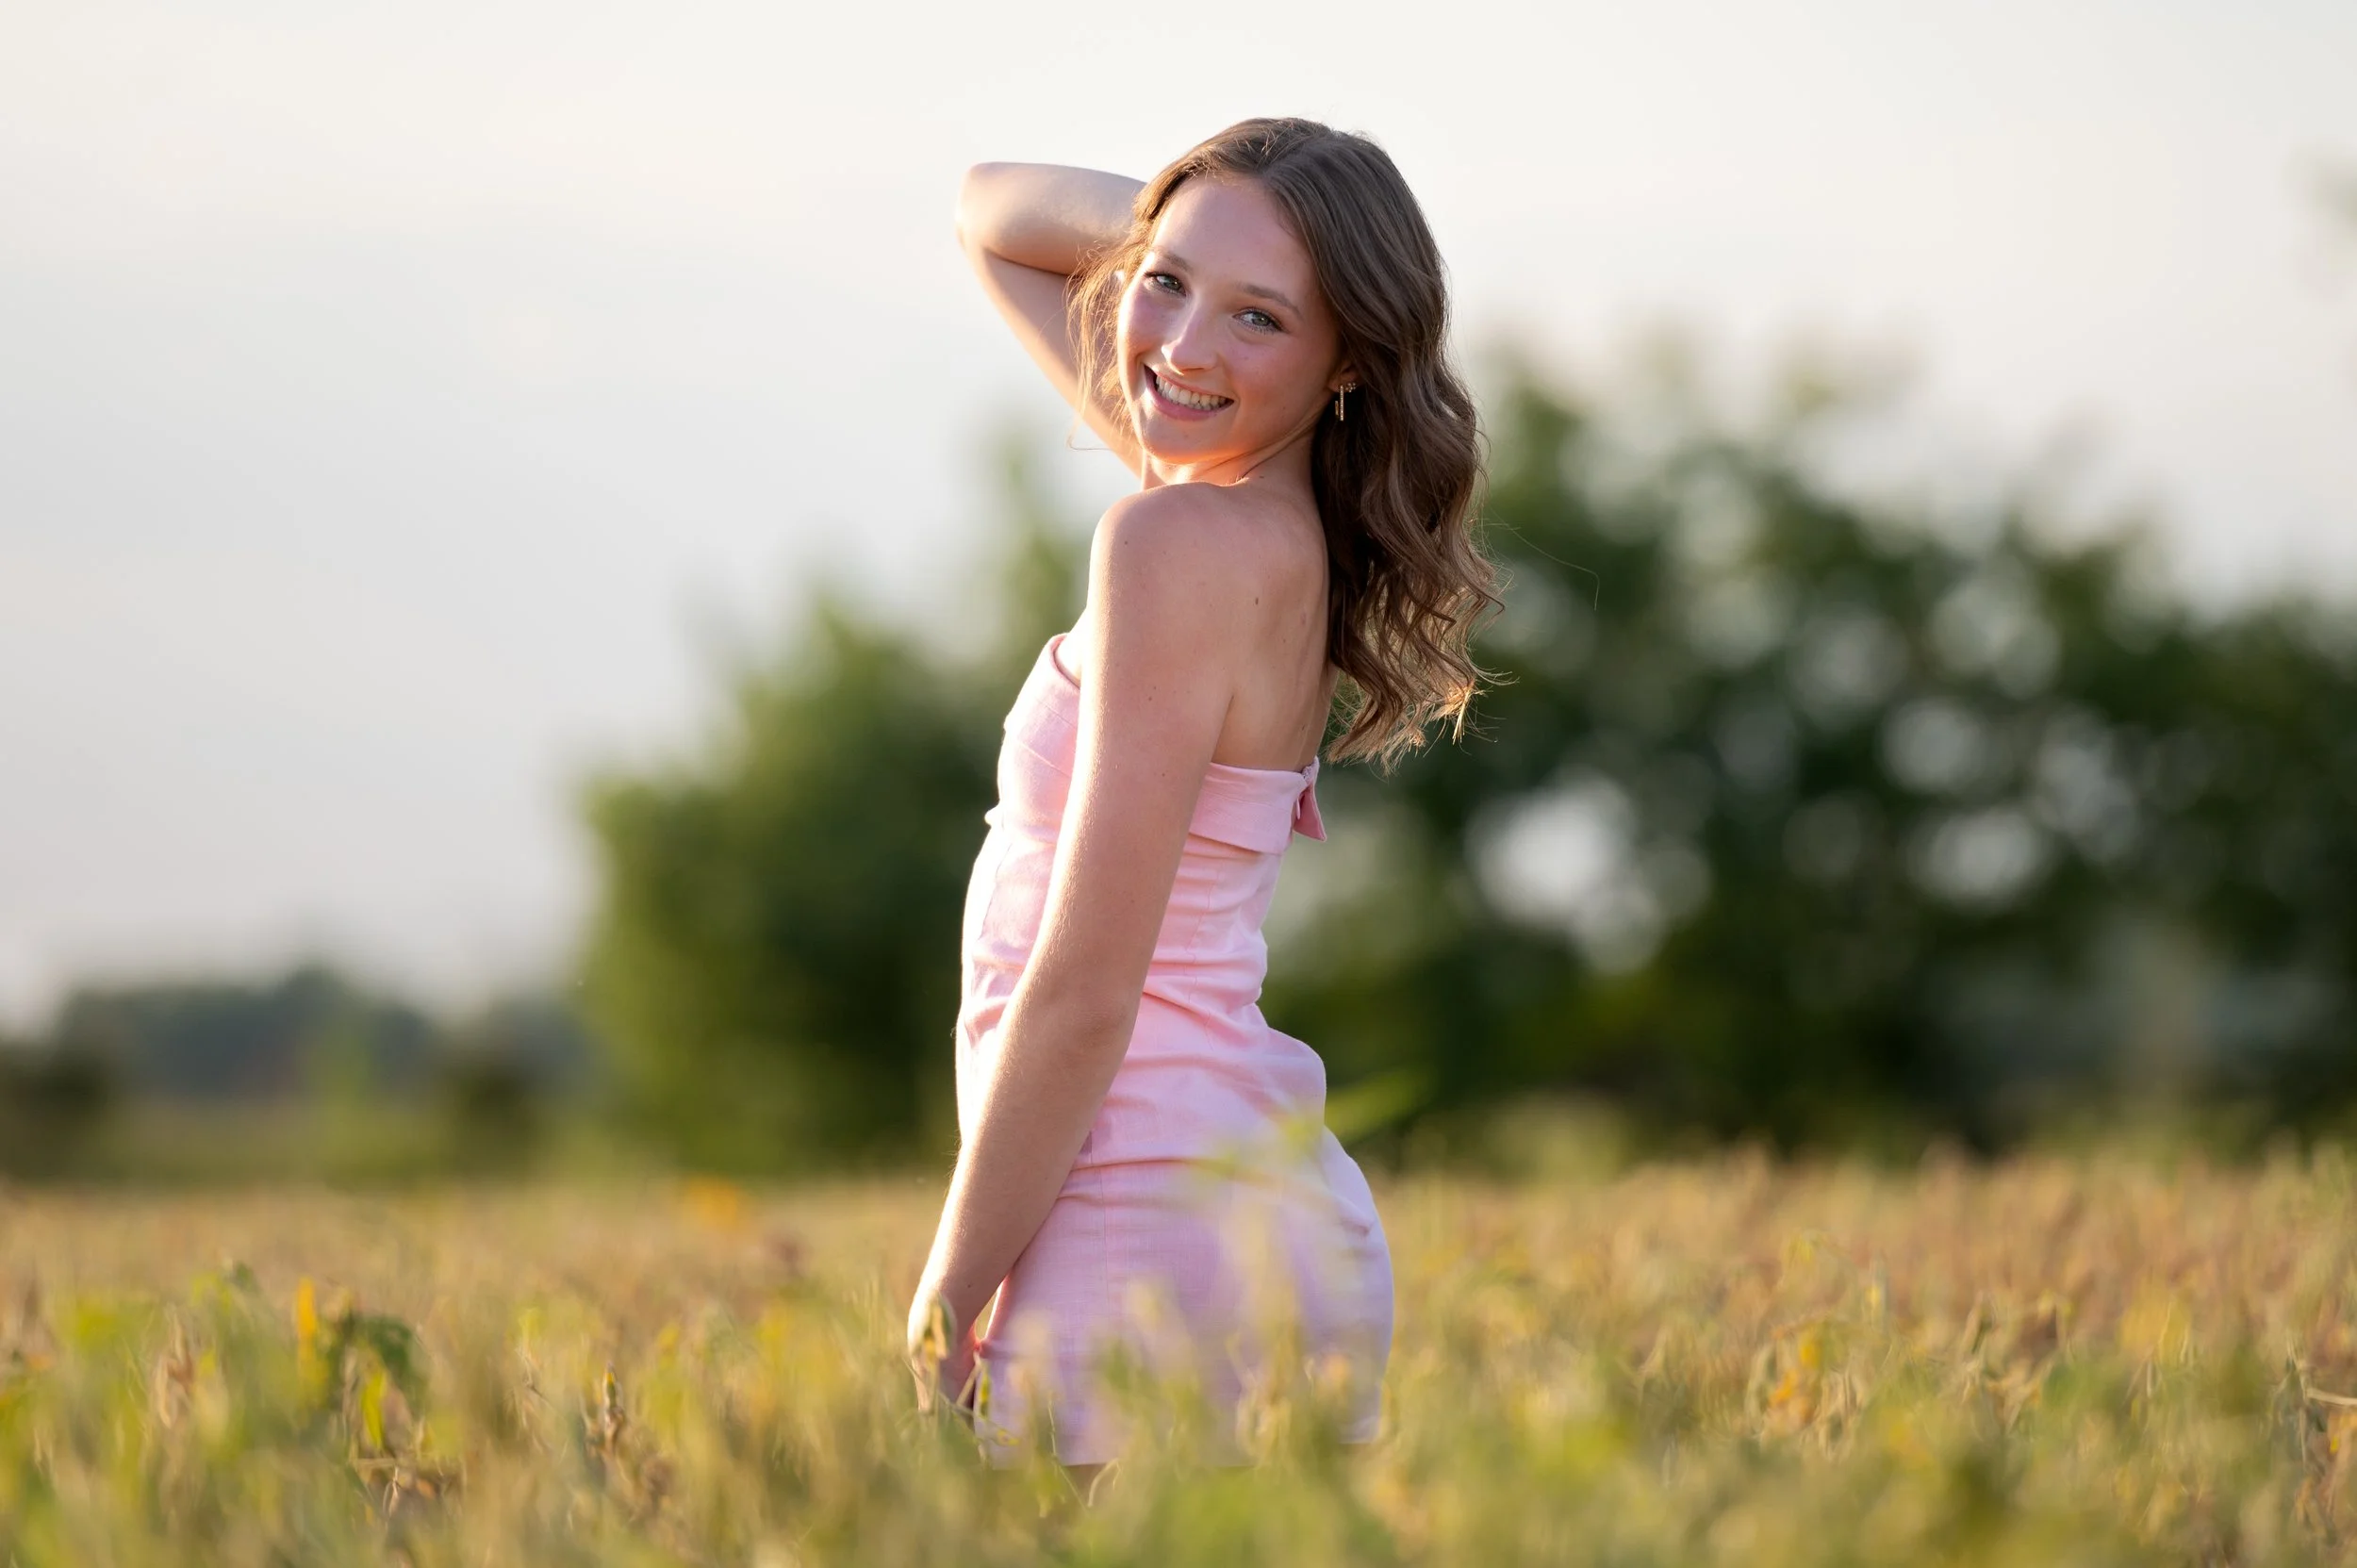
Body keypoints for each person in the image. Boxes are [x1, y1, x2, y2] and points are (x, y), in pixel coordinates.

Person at [906, 117, 1494, 1472]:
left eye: (1261, 319)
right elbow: (988, 210)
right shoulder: (1259, 526)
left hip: (1141, 1221)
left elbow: (1084, 991)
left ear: (1347, 359)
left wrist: (943, 1298)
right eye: (1165, 282)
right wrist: (1228, 227)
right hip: (1246, 1213)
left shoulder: (1173, 541)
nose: (1182, 348)